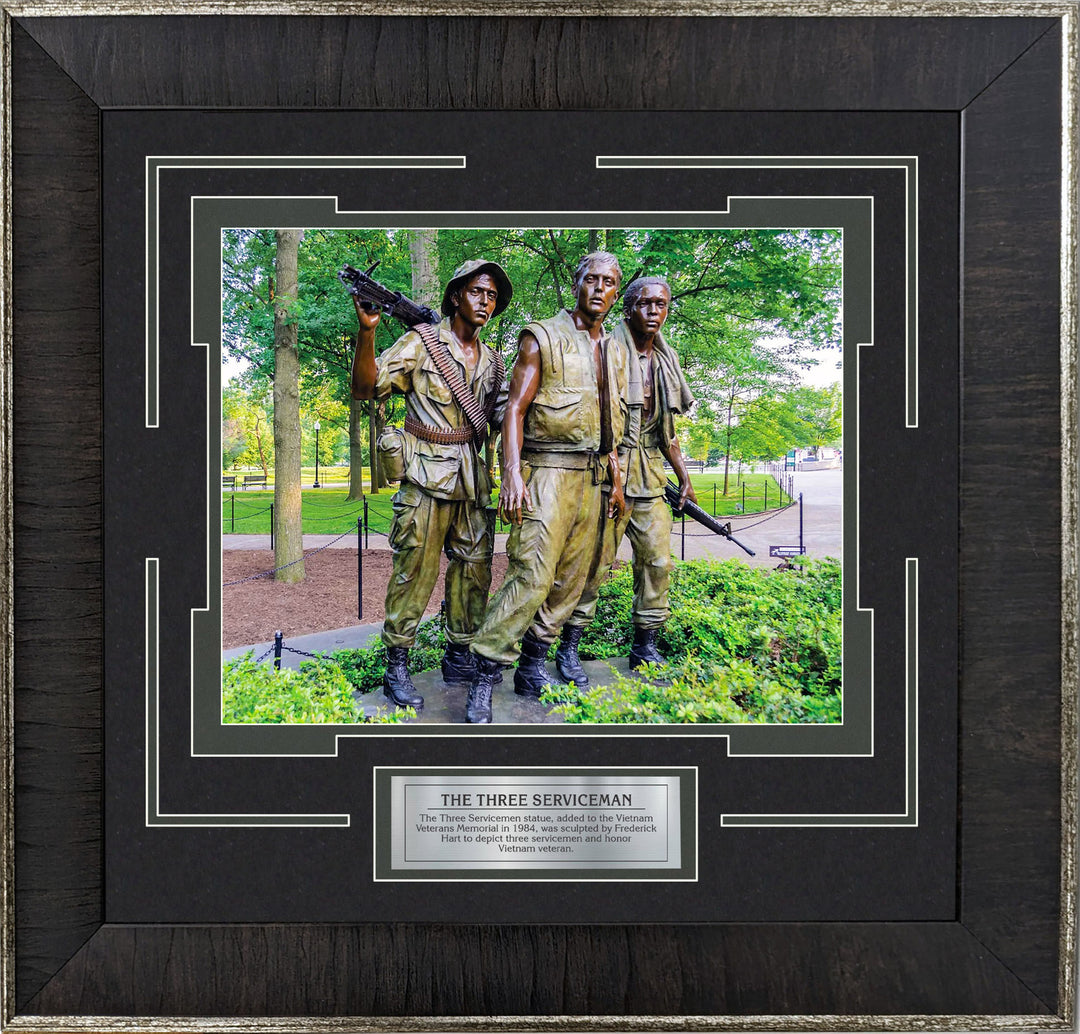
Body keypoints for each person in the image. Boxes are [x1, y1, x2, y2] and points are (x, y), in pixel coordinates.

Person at [465, 252, 630, 724]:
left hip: (595, 479)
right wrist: (513, 473)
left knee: (571, 581)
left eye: (608, 282)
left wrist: (617, 478)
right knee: (532, 576)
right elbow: (514, 409)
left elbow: (615, 425)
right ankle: (486, 675)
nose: (599, 289)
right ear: (576, 284)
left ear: (616, 292)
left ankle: (533, 666)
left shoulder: (615, 350)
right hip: (548, 471)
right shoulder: (541, 337)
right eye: (591, 280)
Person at [350, 259, 511, 713]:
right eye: (478, 291)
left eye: (493, 296)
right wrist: (367, 332)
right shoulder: (421, 344)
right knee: (414, 573)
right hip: (423, 476)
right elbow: (366, 388)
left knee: (473, 573)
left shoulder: (494, 360)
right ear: (456, 295)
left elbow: (505, 418)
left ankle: (458, 655)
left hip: (471, 481)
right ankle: (396, 665)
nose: (485, 301)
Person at [556, 276, 696, 678]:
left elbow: (666, 433)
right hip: (608, 475)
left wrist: (684, 478)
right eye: (645, 304)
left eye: (661, 304)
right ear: (629, 308)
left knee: (657, 561)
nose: (654, 312)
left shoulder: (666, 361)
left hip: (651, 476)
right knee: (592, 565)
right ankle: (569, 646)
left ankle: (645, 645)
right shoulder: (607, 351)